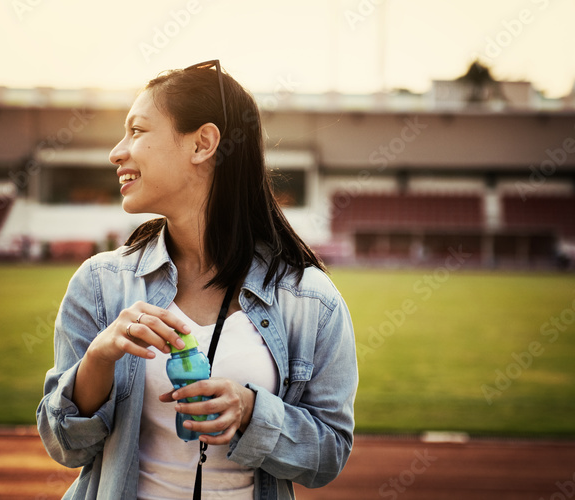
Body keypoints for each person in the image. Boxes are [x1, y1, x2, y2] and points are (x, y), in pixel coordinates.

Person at [37, 60, 358, 499]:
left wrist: (249, 411)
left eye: (137, 131)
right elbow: (65, 447)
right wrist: (98, 360)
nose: (117, 151)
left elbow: (328, 457)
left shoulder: (311, 300)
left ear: (203, 143)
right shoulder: (100, 284)